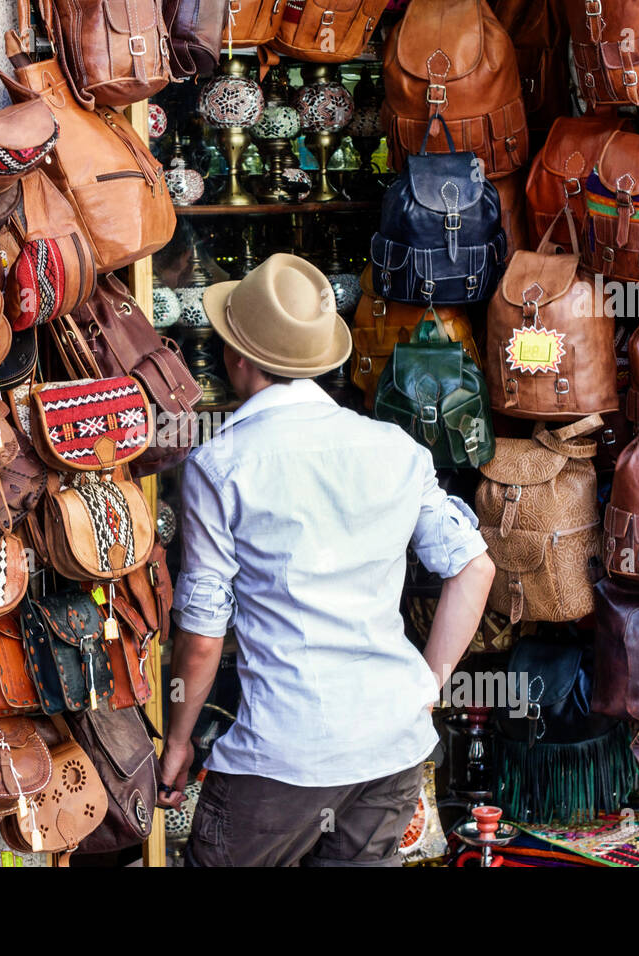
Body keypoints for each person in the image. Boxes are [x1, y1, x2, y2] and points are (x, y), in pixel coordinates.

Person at [156, 253, 495, 867]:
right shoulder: (395, 448)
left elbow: (203, 634)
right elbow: (474, 566)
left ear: (237, 357)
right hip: (389, 747)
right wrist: (427, 684)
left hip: (282, 754)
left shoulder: (220, 464)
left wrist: (179, 741)